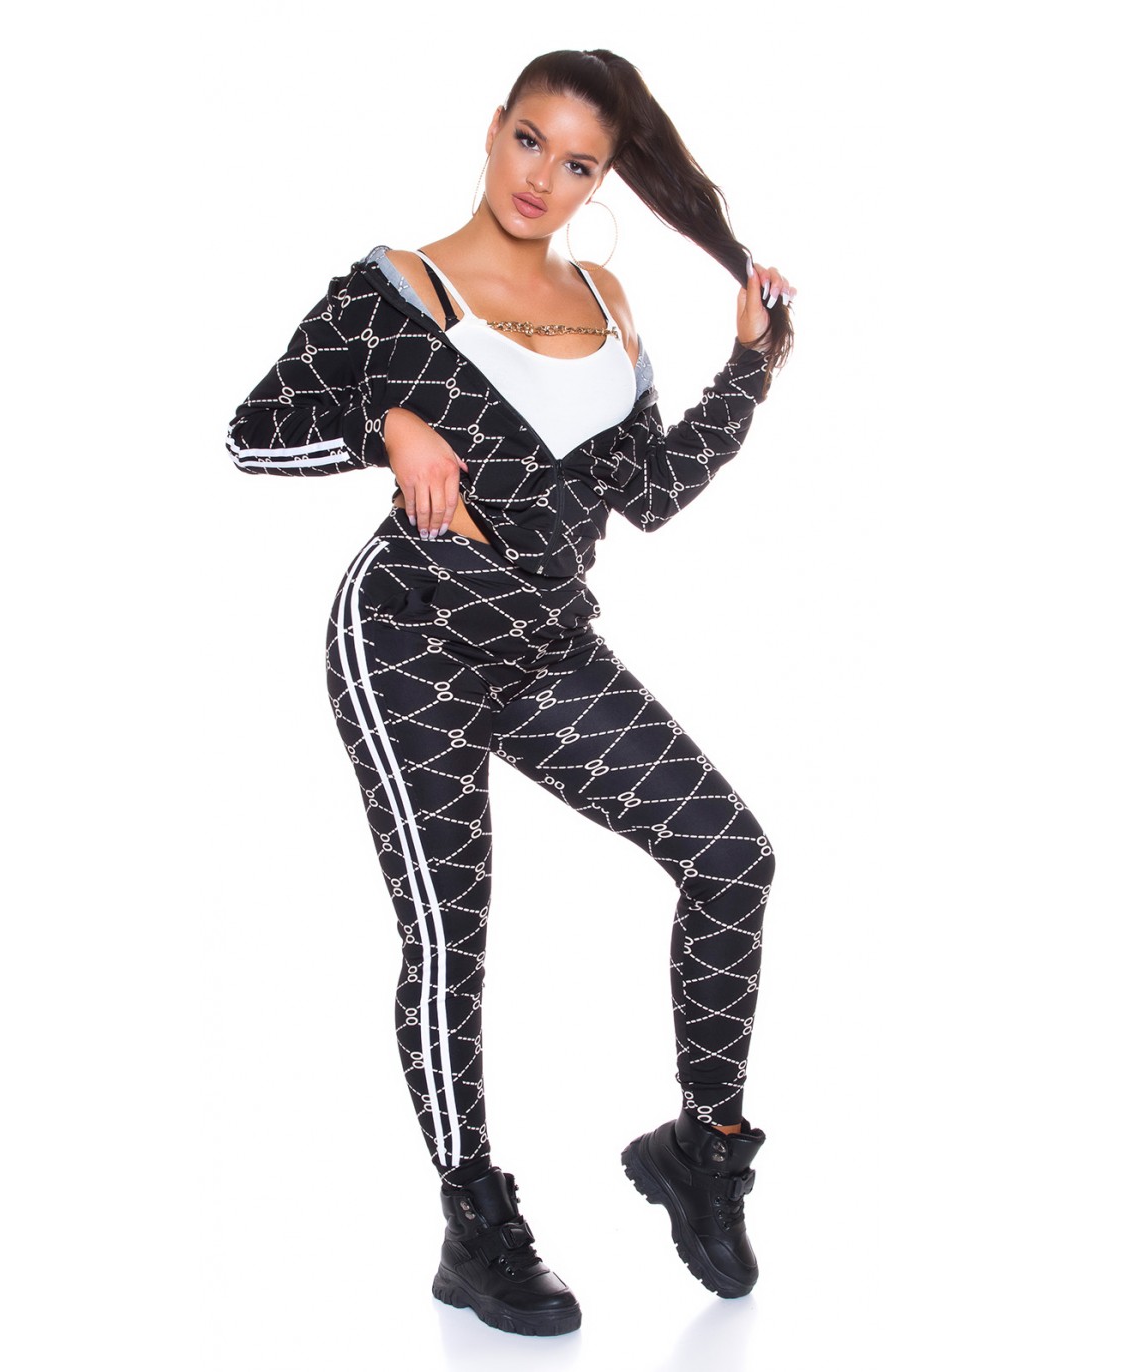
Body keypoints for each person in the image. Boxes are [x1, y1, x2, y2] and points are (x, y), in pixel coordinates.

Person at [225, 48, 796, 1339]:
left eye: (579, 163)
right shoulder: (393, 291)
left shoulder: (604, 298)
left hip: (545, 651)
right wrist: (386, 428)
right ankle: (475, 1222)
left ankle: (704, 1148)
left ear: (602, 182)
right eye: (530, 141)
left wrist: (749, 368)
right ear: (495, 131)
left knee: (731, 856)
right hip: (408, 640)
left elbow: (649, 494)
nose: (543, 178)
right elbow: (253, 433)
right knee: (453, 934)